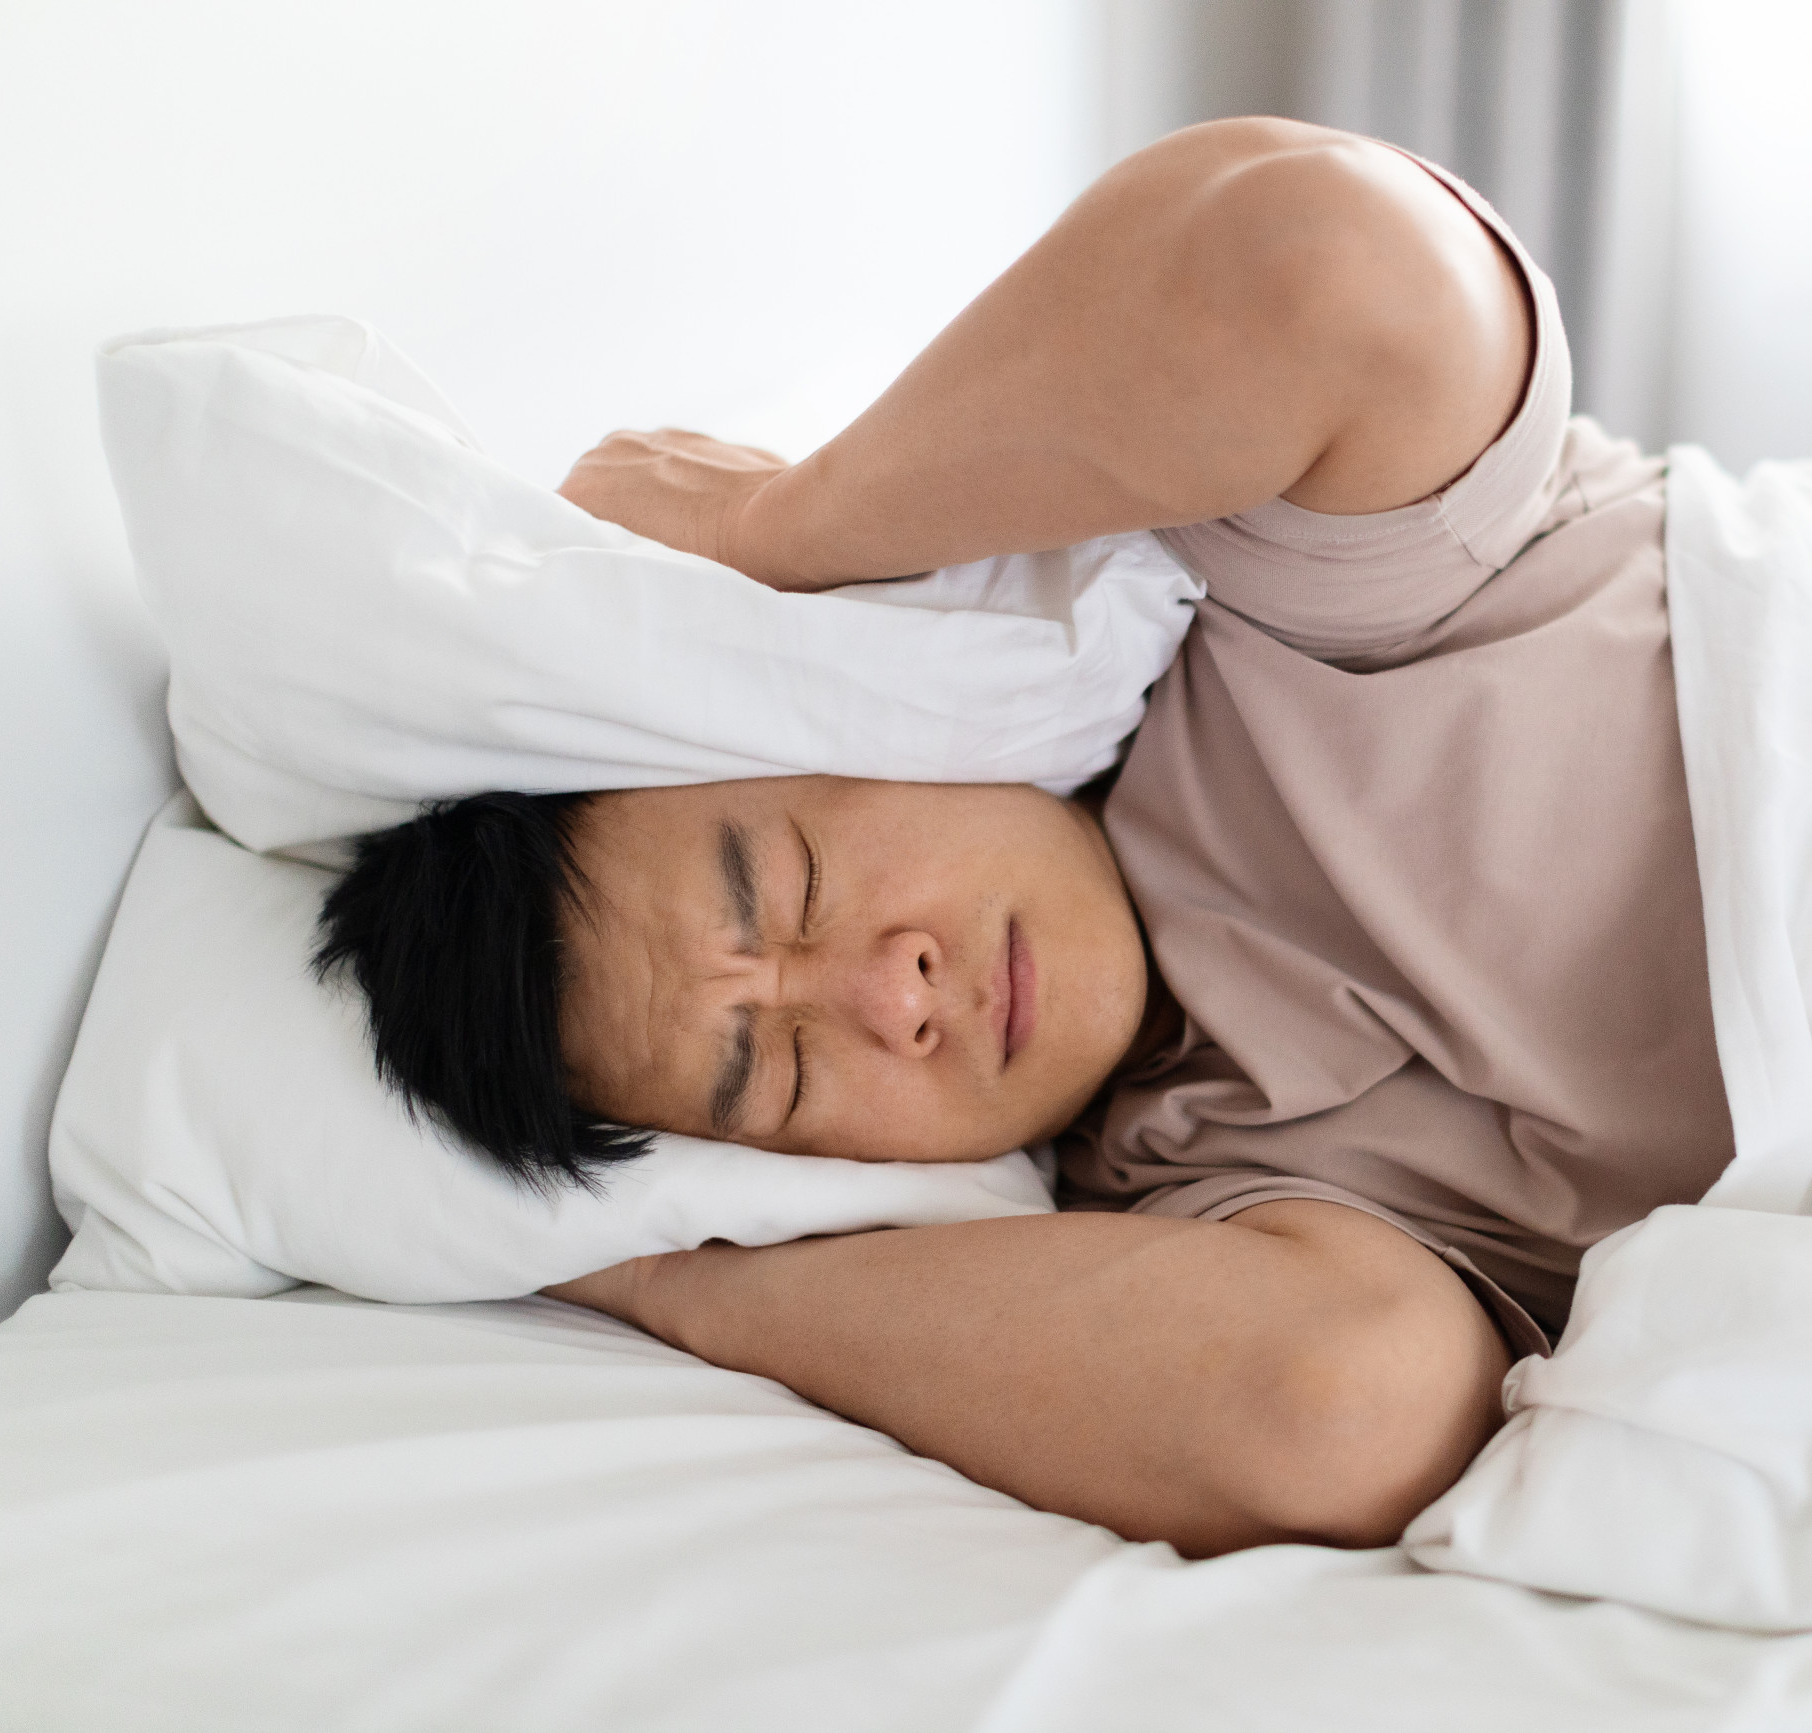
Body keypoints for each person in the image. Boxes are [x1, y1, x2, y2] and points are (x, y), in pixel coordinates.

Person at [314, 117, 1735, 1559]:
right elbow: (1338, 1408)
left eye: (798, 885)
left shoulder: (1277, 611)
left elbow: (1331, 269)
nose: (893, 994)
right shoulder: (1188, 1196)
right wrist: (682, 1290)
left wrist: (767, 524)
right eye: (785, 1068)